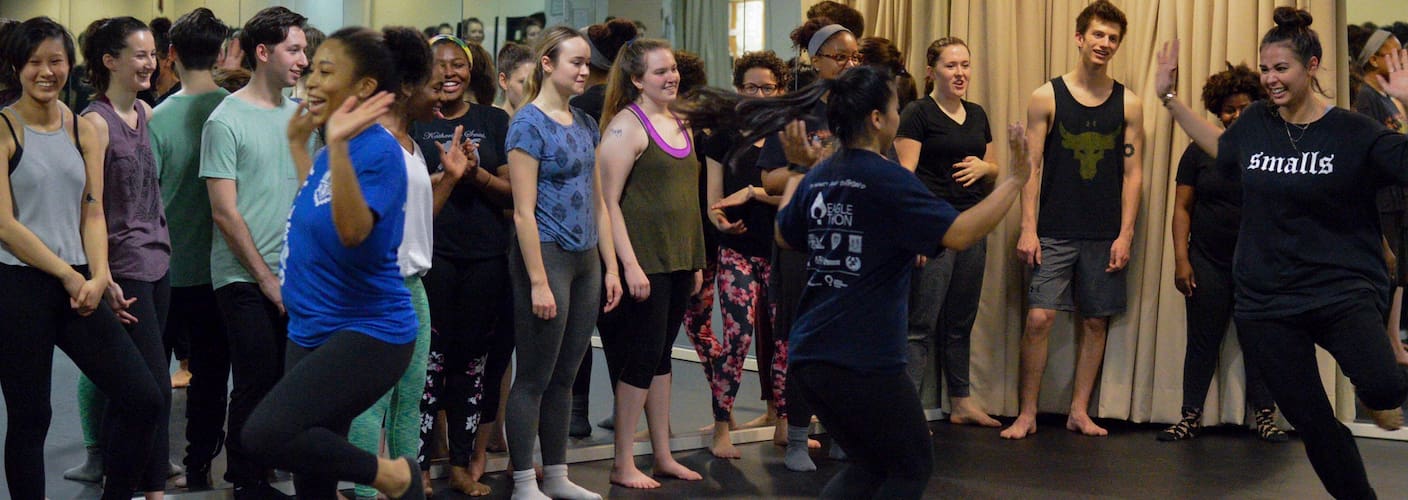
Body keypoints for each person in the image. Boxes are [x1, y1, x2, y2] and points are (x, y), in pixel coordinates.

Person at [726, 63, 1028, 500]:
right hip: (862, 360)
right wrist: (1015, 180)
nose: (897, 115)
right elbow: (960, 233)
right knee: (910, 466)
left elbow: (782, 234)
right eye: (893, 107)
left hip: (812, 358)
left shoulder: (821, 174)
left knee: (871, 465)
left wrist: (796, 170)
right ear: (876, 119)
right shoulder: (887, 178)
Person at [1154, 7, 1408, 498]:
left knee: (1385, 388)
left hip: (1340, 290)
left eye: (1281, 69)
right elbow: (1222, 148)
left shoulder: (1354, 132)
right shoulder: (1254, 124)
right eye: (1265, 69)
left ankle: (1375, 391)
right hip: (1267, 301)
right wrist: (1169, 99)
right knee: (1313, 422)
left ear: (1311, 66)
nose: (1270, 79)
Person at [240, 25, 426, 500]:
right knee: (312, 475)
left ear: (364, 87)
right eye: (312, 68)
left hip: (368, 331)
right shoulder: (333, 149)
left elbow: (352, 231)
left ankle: (396, 477)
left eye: (326, 70)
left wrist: (335, 146)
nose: (311, 79)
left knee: (264, 434)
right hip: (313, 327)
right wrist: (302, 149)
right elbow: (318, 210)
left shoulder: (378, 151)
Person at [0, 16, 163, 500]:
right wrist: (70, 277)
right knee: (31, 418)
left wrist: (99, 275)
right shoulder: (5, 128)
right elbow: (6, 225)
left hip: (82, 284)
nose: (46, 72)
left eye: (56, 61)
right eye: (34, 63)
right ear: (16, 67)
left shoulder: (84, 129)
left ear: (71, 66)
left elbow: (93, 211)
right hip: (20, 287)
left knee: (144, 399)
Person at [1002, 0, 1144, 440]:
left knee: (1095, 321)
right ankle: (1027, 413)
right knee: (1039, 319)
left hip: (1104, 233)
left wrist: (1126, 233)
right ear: (1080, 38)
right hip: (1054, 229)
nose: (1105, 43)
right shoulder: (1045, 96)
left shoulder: (1130, 104)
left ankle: (1078, 411)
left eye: (1112, 38)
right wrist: (1028, 227)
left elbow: (1133, 172)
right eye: (1098, 35)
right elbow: (1032, 167)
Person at [504, 25, 621, 500]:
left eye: (586, 63)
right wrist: (537, 281)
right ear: (547, 64)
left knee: (566, 375)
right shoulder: (527, 125)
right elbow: (522, 211)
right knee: (534, 375)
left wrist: (610, 266)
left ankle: (556, 473)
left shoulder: (586, 124)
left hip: (585, 258)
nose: (584, 70)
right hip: (547, 254)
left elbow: (598, 205)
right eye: (575, 61)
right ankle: (522, 481)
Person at [346, 27, 463, 500]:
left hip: (412, 285)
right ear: (406, 86)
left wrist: (450, 179)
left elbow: (414, 223)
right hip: (378, 288)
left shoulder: (410, 146)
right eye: (433, 85)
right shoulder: (370, 143)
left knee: (409, 401)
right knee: (371, 403)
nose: (441, 94)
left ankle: (405, 490)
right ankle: (366, 492)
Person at [198, 7, 307, 497]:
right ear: (263, 53)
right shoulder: (225, 120)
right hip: (243, 276)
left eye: (304, 49)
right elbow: (225, 212)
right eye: (294, 49)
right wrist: (266, 279)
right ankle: (245, 477)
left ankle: (272, 463)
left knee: (292, 380)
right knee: (256, 377)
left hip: (298, 274)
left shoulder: (301, 117)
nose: (303, 59)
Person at [64, 16, 175, 499]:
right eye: (140, 54)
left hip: (159, 262)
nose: (150, 63)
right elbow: (89, 208)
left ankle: (150, 488)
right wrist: (101, 274)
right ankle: (126, 486)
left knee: (151, 391)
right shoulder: (95, 123)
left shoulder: (145, 114)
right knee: (150, 392)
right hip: (125, 269)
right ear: (109, 61)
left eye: (153, 54)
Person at [595, 38, 705, 489]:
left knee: (661, 359)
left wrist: (694, 260)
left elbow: (685, 198)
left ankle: (662, 454)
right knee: (640, 360)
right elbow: (607, 203)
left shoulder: (682, 121)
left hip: (679, 260)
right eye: (659, 72)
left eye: (673, 68)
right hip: (646, 263)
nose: (671, 77)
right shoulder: (626, 127)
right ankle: (623, 462)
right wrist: (628, 266)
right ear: (637, 79)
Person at [1158, 64, 1286, 443]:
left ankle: (1265, 416)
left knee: (1260, 340)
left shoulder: (1273, 149)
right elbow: (1181, 209)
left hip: (1257, 263)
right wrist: (1182, 260)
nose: (1234, 115)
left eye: (1243, 107)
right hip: (1207, 260)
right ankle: (1189, 416)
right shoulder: (1198, 151)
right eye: (1227, 109)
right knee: (1202, 339)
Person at [413, 32, 514, 497]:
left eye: (458, 64)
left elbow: (514, 191)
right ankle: (417, 466)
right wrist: (447, 175)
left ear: (471, 71)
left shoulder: (493, 120)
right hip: (432, 259)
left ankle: (459, 463)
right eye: (440, 64)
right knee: (428, 365)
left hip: (486, 258)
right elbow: (404, 194)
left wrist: (476, 173)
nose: (449, 73)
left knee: (471, 364)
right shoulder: (413, 123)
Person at [760, 16, 860, 472]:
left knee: (847, 343)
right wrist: (816, 161)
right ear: (816, 59)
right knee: (803, 341)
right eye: (840, 56)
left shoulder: (864, 107)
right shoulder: (794, 111)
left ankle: (842, 431)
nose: (849, 63)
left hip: (853, 242)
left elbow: (889, 165)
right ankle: (797, 436)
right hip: (804, 243)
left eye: (855, 56)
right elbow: (770, 177)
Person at [679, 50, 790, 458]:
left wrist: (755, 193)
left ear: (779, 90)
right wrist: (719, 220)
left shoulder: (790, 135)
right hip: (737, 250)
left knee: (783, 341)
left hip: (780, 251)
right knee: (737, 336)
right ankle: (722, 424)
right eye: (750, 87)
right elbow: (712, 199)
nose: (758, 94)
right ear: (739, 89)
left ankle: (784, 422)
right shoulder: (724, 136)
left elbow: (799, 194)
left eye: (767, 87)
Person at [894, 36, 1002, 428]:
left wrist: (985, 169)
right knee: (919, 325)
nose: (960, 73)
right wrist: (916, 233)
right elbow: (904, 176)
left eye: (965, 65)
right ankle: (904, 414)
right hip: (936, 230)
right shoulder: (917, 113)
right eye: (951, 65)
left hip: (972, 225)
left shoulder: (976, 113)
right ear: (931, 71)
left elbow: (994, 166)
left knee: (960, 320)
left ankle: (961, 402)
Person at [147, 7, 233, 490]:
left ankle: (154, 466)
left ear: (171, 54)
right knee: (212, 376)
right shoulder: (235, 110)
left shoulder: (155, 119)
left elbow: (148, 198)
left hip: (163, 268)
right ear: (222, 53)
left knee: (154, 378)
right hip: (221, 269)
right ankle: (199, 466)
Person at [569, 17, 637, 436]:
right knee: (617, 327)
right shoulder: (632, 108)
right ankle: (621, 405)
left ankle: (576, 410)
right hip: (624, 226)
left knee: (580, 326)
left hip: (586, 224)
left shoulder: (583, 107)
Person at [1348, 27, 1408, 367]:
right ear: (1373, 59)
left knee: (1400, 273)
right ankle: (1384, 346)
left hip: (1398, 195)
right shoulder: (1366, 98)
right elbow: (1369, 154)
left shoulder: (1388, 96)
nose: (1399, 59)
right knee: (1388, 269)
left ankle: (1393, 340)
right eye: (1393, 52)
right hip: (1382, 197)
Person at [496, 42, 534, 117]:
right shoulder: (488, 125)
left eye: (536, 82)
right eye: (524, 82)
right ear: (503, 81)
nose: (531, 88)